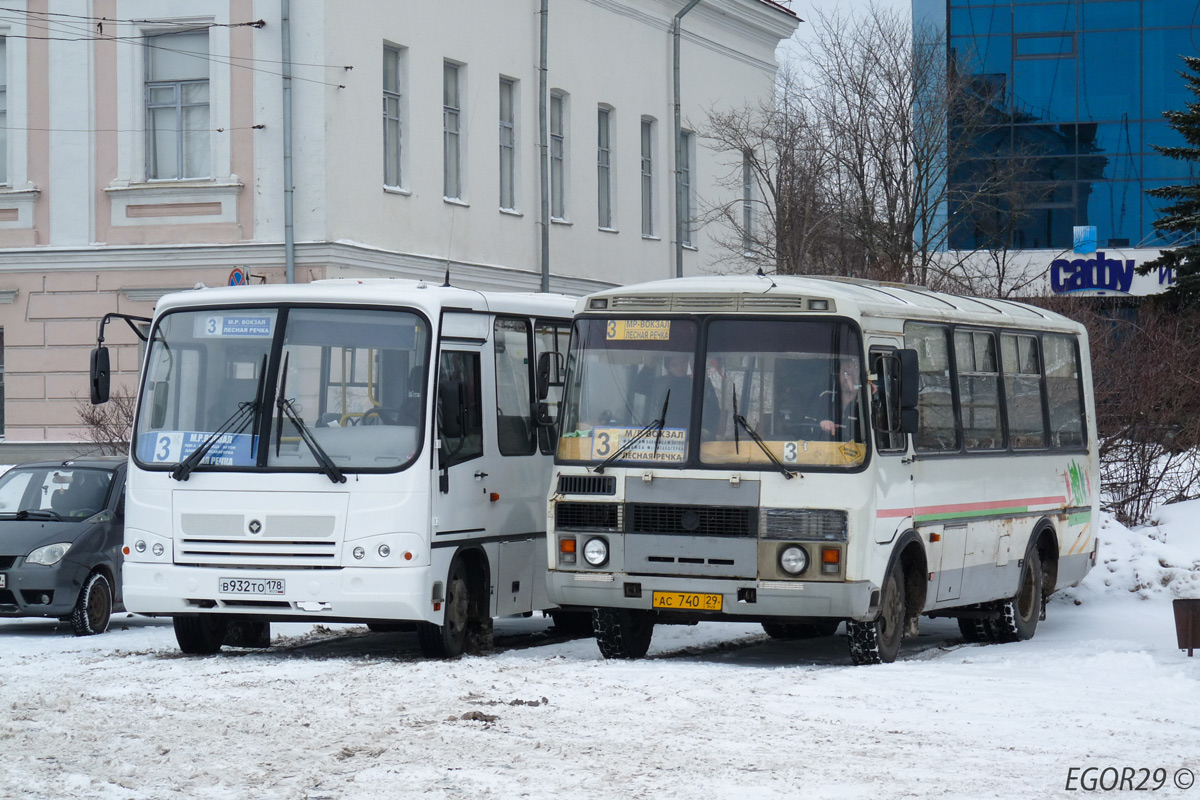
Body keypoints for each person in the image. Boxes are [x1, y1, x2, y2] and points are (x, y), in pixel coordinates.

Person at [819, 357, 863, 442]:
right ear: (838, 375)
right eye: (845, 373)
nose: (847, 378)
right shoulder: (825, 396)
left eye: (852, 373)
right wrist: (822, 423)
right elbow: (809, 423)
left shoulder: (867, 402)